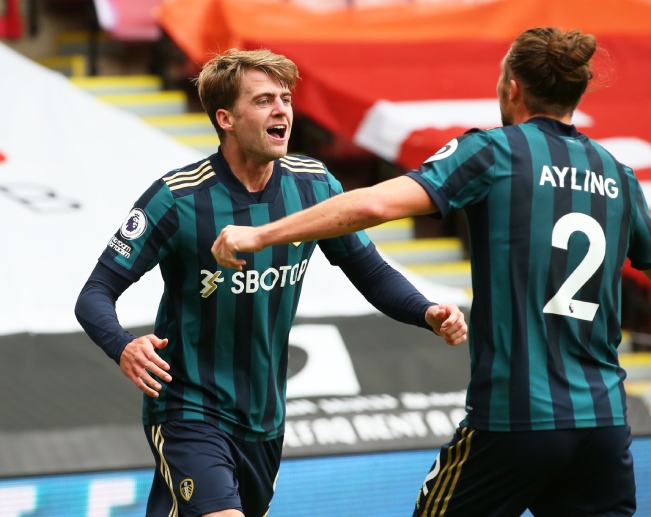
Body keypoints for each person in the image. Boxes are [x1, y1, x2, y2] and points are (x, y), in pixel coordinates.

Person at [211, 28, 651, 517]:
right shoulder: (618, 174)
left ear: (512, 86)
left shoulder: (494, 151)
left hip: (515, 418)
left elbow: (376, 205)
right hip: (603, 424)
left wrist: (260, 234)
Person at [75, 48, 467, 517]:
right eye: (263, 101)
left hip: (265, 422)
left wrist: (426, 312)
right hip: (189, 410)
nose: (282, 109)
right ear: (225, 118)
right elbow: (94, 293)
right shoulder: (177, 198)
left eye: (285, 98)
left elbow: (371, 271)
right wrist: (123, 345)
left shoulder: (314, 185)